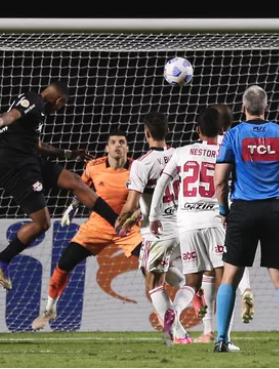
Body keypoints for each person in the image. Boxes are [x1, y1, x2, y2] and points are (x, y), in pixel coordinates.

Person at [0, 82, 117, 290]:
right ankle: (2, 258)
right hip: (15, 165)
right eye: (61, 106)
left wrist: (69, 154)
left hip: (30, 159)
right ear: (59, 101)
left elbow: (38, 146)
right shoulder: (34, 100)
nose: (59, 110)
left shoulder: (38, 112)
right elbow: (13, 114)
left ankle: (116, 222)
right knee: (42, 223)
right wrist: (1, 119)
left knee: (74, 181)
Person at [213, 86, 279, 352]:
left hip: (243, 210)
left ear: (244, 109)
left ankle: (222, 338)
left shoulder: (233, 135)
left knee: (230, 277)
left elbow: (220, 182)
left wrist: (224, 212)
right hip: (274, 211)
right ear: (266, 109)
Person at [31, 130, 144, 330]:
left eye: (122, 142)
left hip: (127, 227)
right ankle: (50, 308)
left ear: (127, 147)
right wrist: (71, 209)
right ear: (106, 148)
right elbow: (81, 190)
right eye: (113, 142)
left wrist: (139, 214)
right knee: (64, 262)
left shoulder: (138, 168)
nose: (118, 145)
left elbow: (145, 197)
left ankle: (171, 312)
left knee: (152, 263)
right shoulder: (93, 166)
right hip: (97, 226)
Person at [149, 108, 237, 349]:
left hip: (186, 222)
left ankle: (174, 313)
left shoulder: (180, 152)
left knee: (192, 281)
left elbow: (161, 184)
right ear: (221, 130)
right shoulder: (225, 150)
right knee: (225, 279)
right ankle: (224, 339)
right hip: (214, 219)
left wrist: (154, 215)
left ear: (197, 130)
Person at [114, 111, 189, 346]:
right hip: (183, 228)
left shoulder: (142, 163)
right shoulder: (181, 156)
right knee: (154, 271)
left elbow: (132, 203)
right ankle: (186, 295)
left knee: (153, 284)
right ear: (167, 133)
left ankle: (178, 333)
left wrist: (120, 220)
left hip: (158, 232)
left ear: (146, 133)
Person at [211, 105, 255, 324]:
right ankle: (245, 288)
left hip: (207, 208)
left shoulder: (201, 147)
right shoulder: (240, 140)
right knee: (235, 258)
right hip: (237, 204)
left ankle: (212, 329)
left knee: (211, 271)